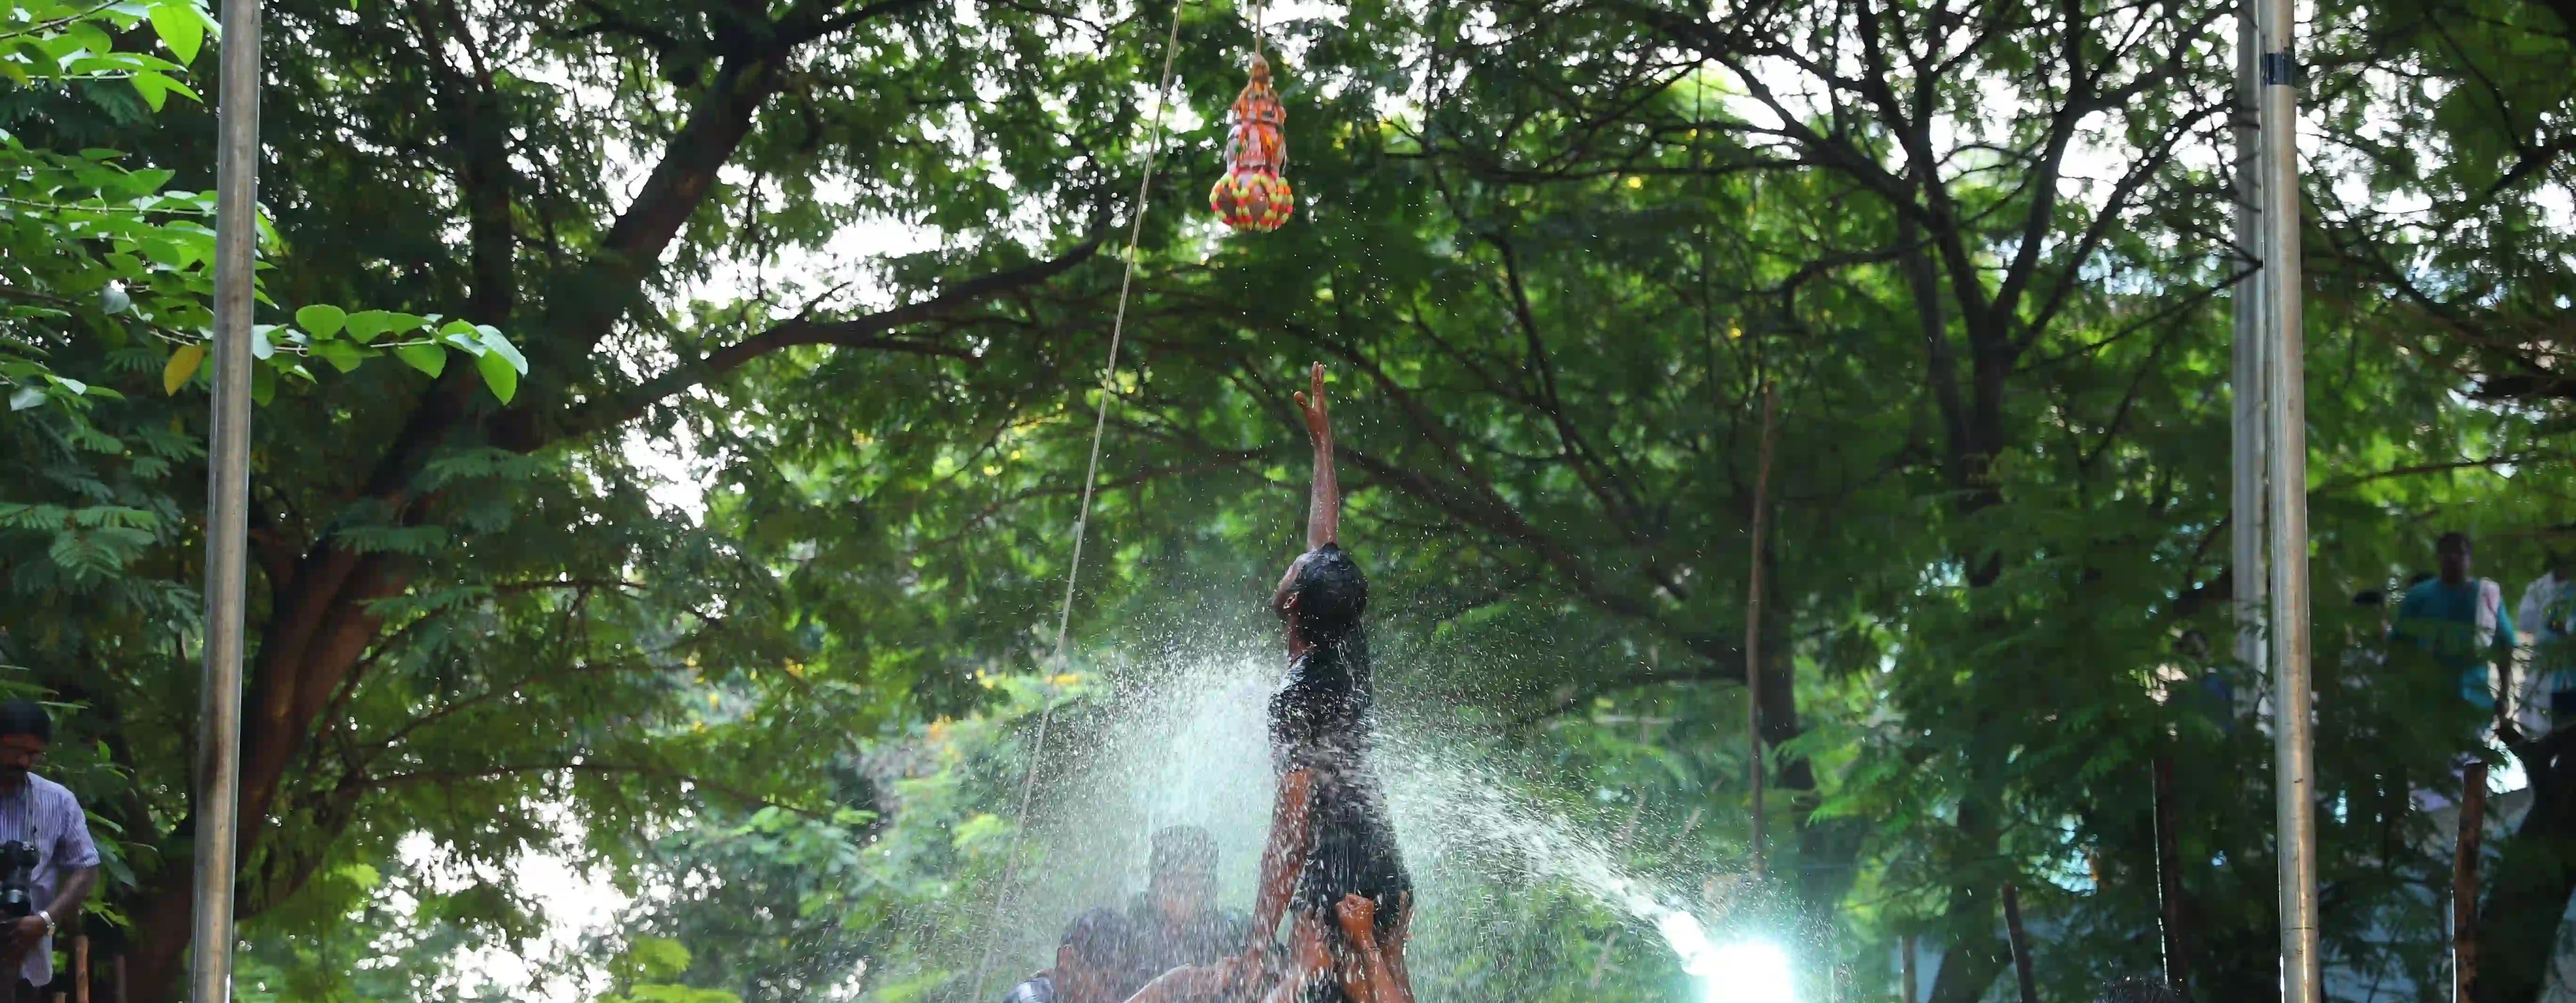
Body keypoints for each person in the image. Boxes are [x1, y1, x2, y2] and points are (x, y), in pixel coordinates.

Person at [1232, 364, 1416, 1003]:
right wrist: (1323, 447)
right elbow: (1326, 543)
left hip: (1337, 870)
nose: (1298, 555)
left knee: (1297, 988)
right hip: (1385, 864)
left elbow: (1292, 826)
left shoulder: (1298, 697)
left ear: (1292, 604)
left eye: (1295, 568)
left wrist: (1259, 938)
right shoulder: (1347, 642)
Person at [0, 700, 98, 1003]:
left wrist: (45, 920)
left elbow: (86, 867)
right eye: (15, 749)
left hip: (24, 957)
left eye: (33, 754)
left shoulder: (57, 801)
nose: (24, 761)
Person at [2391, 533, 2516, 715]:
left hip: (2473, 699)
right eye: (2446, 553)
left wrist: (2504, 694)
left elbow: (2505, 647)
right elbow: (2399, 646)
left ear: (2470, 560)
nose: (2452, 558)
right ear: (2437, 558)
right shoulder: (2418, 596)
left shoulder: (2485, 596)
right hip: (2426, 701)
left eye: (2460, 553)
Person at [1005, 908, 1135, 1003]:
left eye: (1114, 988)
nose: (1106, 998)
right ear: (1068, 959)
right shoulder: (1029, 997)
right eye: (1103, 982)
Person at [2516, 550, 2576, 730]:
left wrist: (2565, 629)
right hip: (2547, 675)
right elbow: (2526, 623)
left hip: (2571, 677)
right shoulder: (2539, 588)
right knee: (2547, 734)